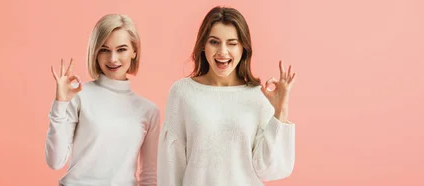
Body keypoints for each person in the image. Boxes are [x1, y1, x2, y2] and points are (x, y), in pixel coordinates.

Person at [157, 6, 297, 186]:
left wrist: (280, 111)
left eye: (232, 43)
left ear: (243, 48)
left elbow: (269, 170)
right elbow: (171, 166)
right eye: (214, 42)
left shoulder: (259, 96)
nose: (222, 52)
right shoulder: (182, 93)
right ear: (203, 46)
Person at [45, 14, 159, 186]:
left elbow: (150, 177)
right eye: (104, 50)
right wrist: (60, 104)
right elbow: (55, 162)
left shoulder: (149, 111)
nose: (113, 59)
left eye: (121, 49)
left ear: (134, 51)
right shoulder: (79, 96)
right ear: (95, 52)